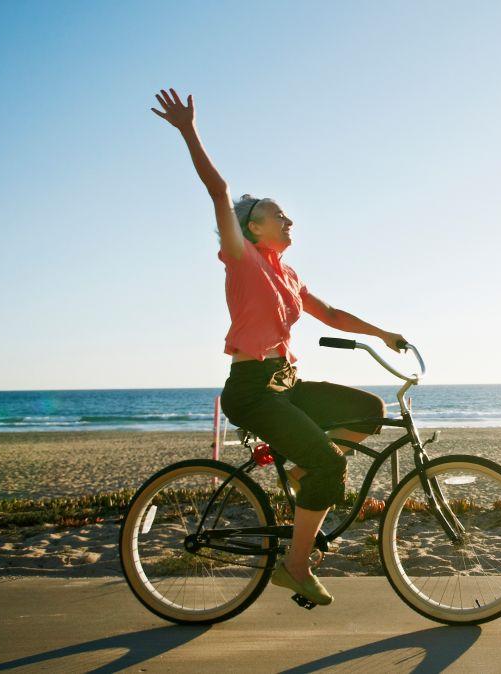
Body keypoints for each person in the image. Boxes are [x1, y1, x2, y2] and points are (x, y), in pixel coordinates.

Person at [152, 88, 405, 606]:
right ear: (253, 227)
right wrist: (188, 131)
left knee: (369, 409)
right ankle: (294, 565)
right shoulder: (241, 257)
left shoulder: (285, 273)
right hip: (252, 389)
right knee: (331, 469)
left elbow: (330, 314)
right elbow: (219, 192)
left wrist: (383, 333)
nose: (289, 220)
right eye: (279, 214)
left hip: (285, 387)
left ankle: (296, 468)